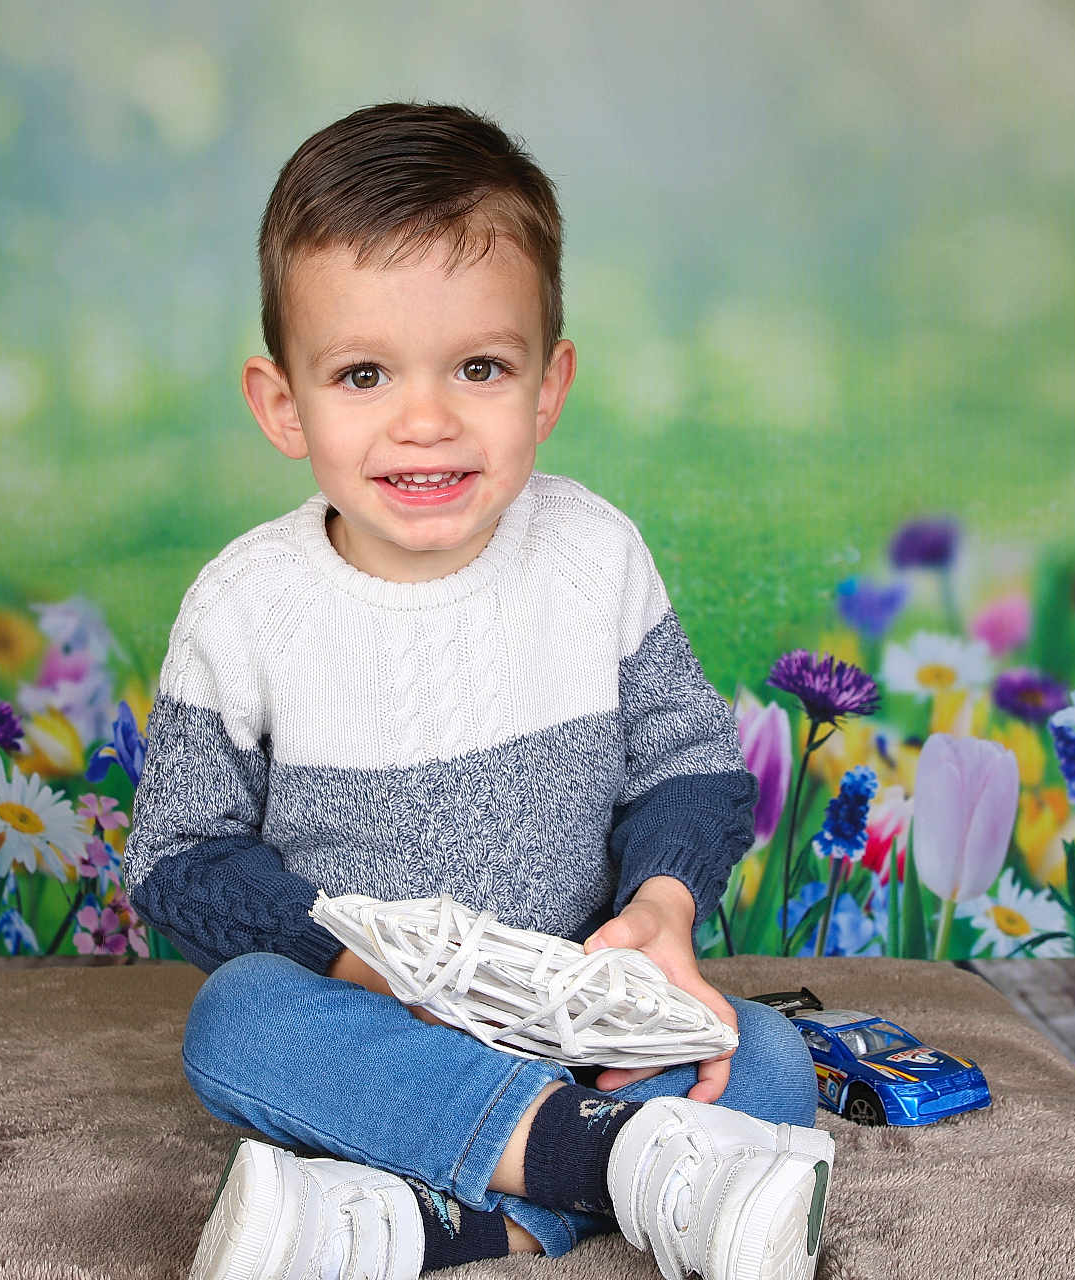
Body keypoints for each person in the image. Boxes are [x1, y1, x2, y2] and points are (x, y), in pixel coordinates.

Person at [122, 101, 831, 1280]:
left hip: (585, 1014)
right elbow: (180, 857)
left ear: (548, 386)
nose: (426, 420)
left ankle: (421, 1221)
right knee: (237, 1021)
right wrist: (357, 963)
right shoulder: (245, 607)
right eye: (361, 373)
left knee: (760, 1061)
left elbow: (693, 763)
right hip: (375, 1024)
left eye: (480, 367)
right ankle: (617, 1166)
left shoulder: (592, 553)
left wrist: (663, 905)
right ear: (282, 403)